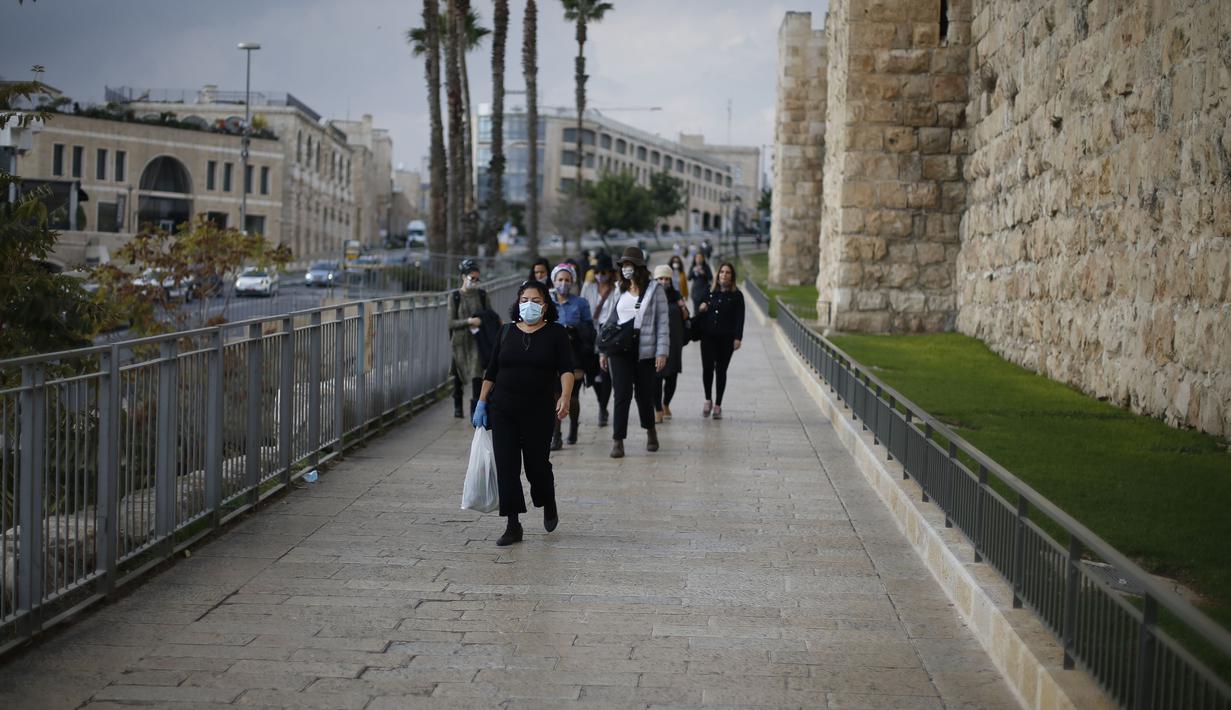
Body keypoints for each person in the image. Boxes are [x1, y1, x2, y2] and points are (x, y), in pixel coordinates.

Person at [472, 281, 575, 546]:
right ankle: (513, 524)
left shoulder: (556, 333)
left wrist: (564, 396)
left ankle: (547, 499)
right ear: (518, 302)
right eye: (525, 299)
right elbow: (492, 371)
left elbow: (566, 369)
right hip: (503, 409)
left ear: (546, 305)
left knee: (536, 467)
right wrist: (482, 402)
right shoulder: (505, 332)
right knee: (507, 467)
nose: (530, 304)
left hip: (538, 411)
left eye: (537, 300)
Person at [599, 247, 669, 458]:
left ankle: (651, 431)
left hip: (644, 350)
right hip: (619, 349)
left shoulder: (655, 290)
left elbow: (663, 324)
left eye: (629, 265)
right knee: (621, 394)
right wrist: (603, 350)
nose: (625, 269)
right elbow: (608, 322)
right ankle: (618, 440)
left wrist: (662, 352)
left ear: (638, 267)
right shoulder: (618, 290)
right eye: (623, 266)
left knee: (643, 395)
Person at [549, 263, 593, 449]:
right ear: (554, 281)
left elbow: (590, 330)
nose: (563, 283)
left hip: (575, 353)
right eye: (560, 280)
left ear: (573, 281)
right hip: (552, 354)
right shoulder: (547, 302)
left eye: (567, 280)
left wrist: (575, 329)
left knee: (572, 395)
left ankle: (573, 427)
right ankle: (555, 435)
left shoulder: (580, 303)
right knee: (555, 395)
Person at [697, 262, 745, 420]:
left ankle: (718, 404)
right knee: (707, 369)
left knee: (721, 371)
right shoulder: (709, 291)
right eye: (722, 272)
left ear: (732, 277)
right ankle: (707, 399)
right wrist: (702, 307)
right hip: (708, 336)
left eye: (728, 272)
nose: (724, 275)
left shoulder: (737, 295)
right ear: (718, 275)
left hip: (726, 338)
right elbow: (700, 307)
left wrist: (738, 338)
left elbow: (740, 318)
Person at [448, 259, 495, 418]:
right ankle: (457, 405)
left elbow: (491, 315)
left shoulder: (482, 295)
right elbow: (451, 322)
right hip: (460, 342)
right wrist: (468, 321)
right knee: (459, 373)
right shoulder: (454, 296)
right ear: (463, 277)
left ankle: (475, 407)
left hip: (478, 340)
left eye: (477, 279)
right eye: (471, 278)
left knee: (476, 373)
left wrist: (483, 321)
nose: (474, 282)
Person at [580, 253, 618, 427]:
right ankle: (600, 402)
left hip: (609, 332)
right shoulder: (588, 287)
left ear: (610, 272)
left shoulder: (617, 289)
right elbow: (582, 308)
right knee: (594, 373)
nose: (601, 275)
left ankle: (603, 408)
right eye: (598, 271)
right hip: (590, 333)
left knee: (606, 373)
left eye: (604, 271)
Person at [652, 264, 688, 423]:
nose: (664, 281)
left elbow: (686, 317)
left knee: (672, 377)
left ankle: (666, 403)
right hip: (655, 343)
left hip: (674, 343)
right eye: (660, 278)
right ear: (655, 279)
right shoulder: (649, 296)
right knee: (656, 378)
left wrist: (683, 308)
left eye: (667, 278)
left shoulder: (676, 295)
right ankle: (658, 409)